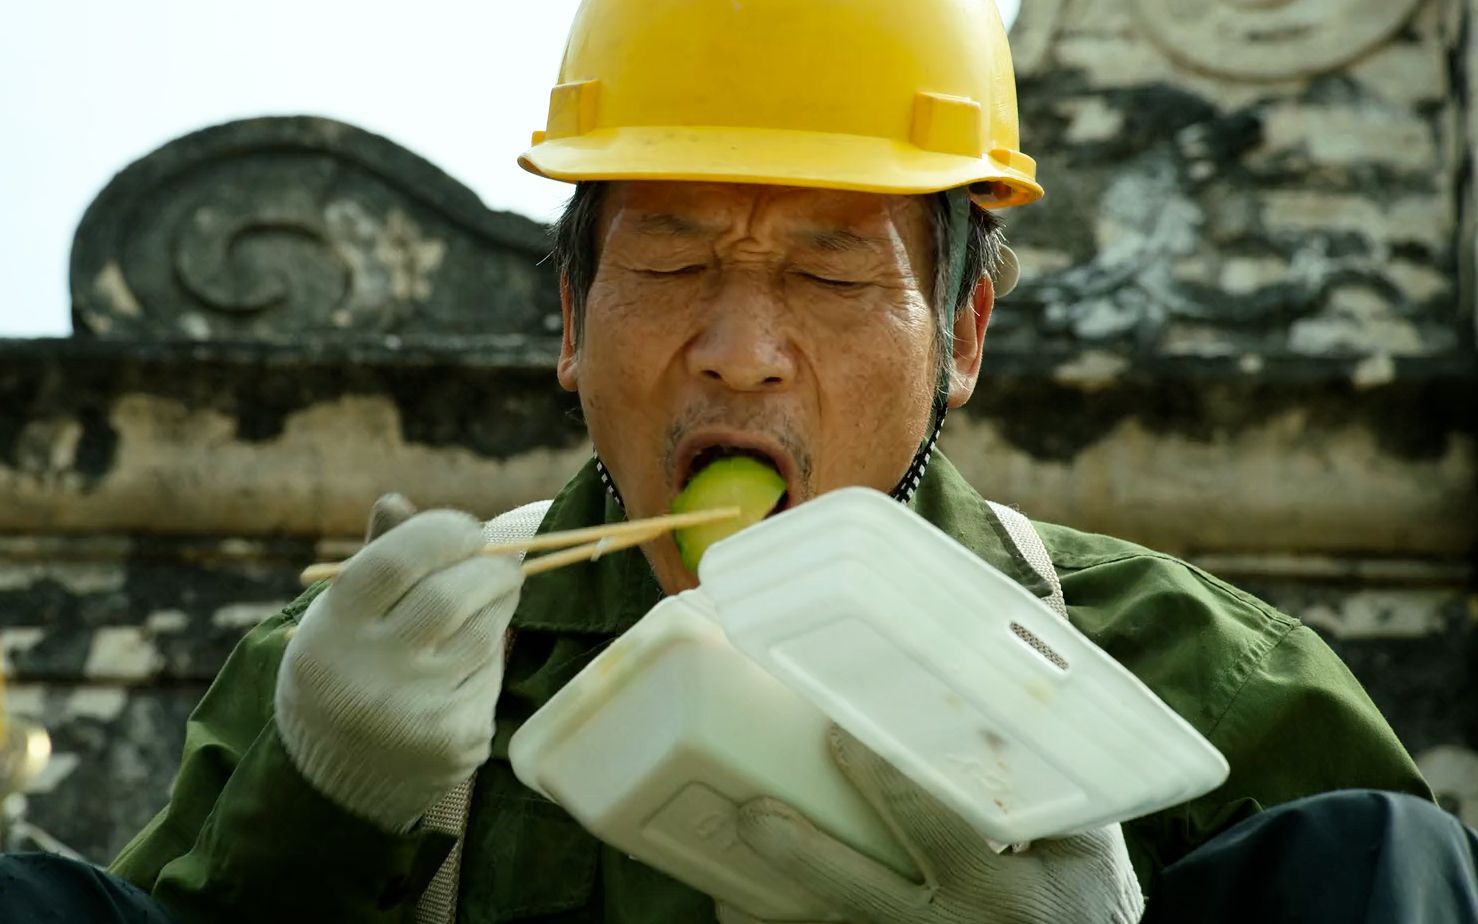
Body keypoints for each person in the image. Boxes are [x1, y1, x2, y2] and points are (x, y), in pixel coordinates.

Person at [4, 0, 1473, 921]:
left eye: (833, 279)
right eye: (677, 259)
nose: (741, 351)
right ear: (572, 319)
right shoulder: (357, 679)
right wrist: (325, 800)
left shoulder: (1191, 685)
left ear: (961, 333)